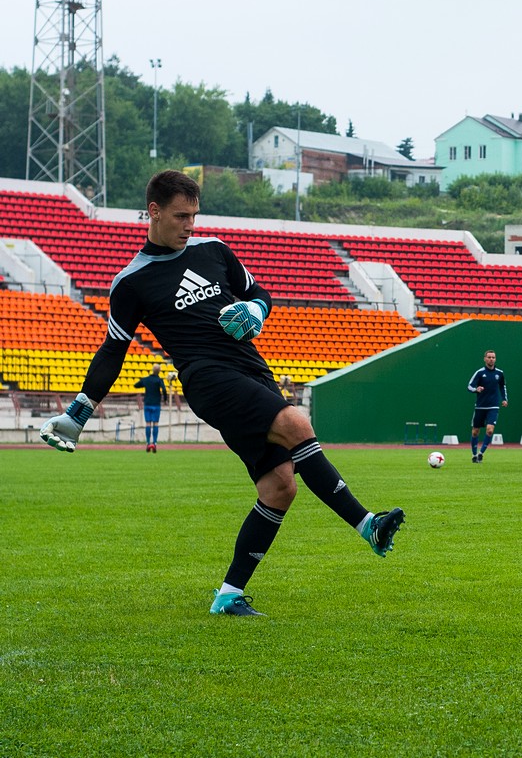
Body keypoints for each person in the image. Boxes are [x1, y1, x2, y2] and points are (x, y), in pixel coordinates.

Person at [38, 170, 405, 617]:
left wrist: (254, 309)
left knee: (279, 487)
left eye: (194, 214)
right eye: (180, 216)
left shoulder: (214, 250)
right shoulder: (131, 282)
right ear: (153, 212)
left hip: (251, 368)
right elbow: (113, 351)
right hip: (206, 378)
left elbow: (261, 294)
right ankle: (367, 524)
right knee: (296, 423)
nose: (189, 224)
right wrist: (79, 412)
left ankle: (229, 595)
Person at [467, 349, 507, 463]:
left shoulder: (499, 373)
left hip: (493, 406)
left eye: (493, 357)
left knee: (490, 430)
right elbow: (469, 386)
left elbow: (502, 387)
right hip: (480, 406)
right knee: (475, 431)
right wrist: (476, 389)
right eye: (489, 357)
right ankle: (474, 454)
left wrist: (504, 399)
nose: (491, 359)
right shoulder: (480, 373)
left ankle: (481, 453)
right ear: (485, 359)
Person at [133, 362, 168, 453]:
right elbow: (164, 389)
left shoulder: (146, 380)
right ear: (159, 371)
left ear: (152, 370)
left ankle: (148, 443)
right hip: (156, 404)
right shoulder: (159, 380)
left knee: (148, 423)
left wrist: (144, 384)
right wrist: (165, 400)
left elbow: (136, 385)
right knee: (155, 423)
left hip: (147, 403)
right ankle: (155, 443)